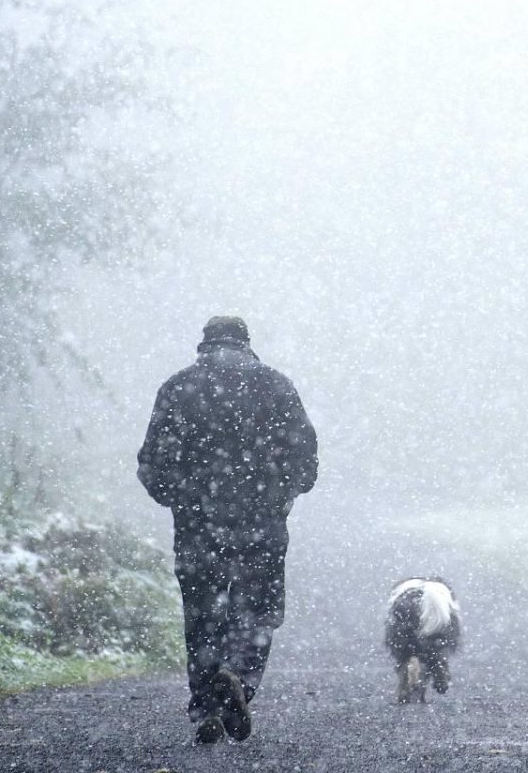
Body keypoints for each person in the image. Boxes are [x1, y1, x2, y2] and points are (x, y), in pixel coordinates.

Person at [137, 315, 318, 744]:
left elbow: (152, 464)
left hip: (199, 527)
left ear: (204, 345)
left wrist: (182, 498)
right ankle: (238, 675)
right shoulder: (276, 386)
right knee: (256, 611)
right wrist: (280, 493)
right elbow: (305, 461)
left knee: (201, 613)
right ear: (247, 344)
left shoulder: (178, 388)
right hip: (262, 525)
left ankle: (205, 703)